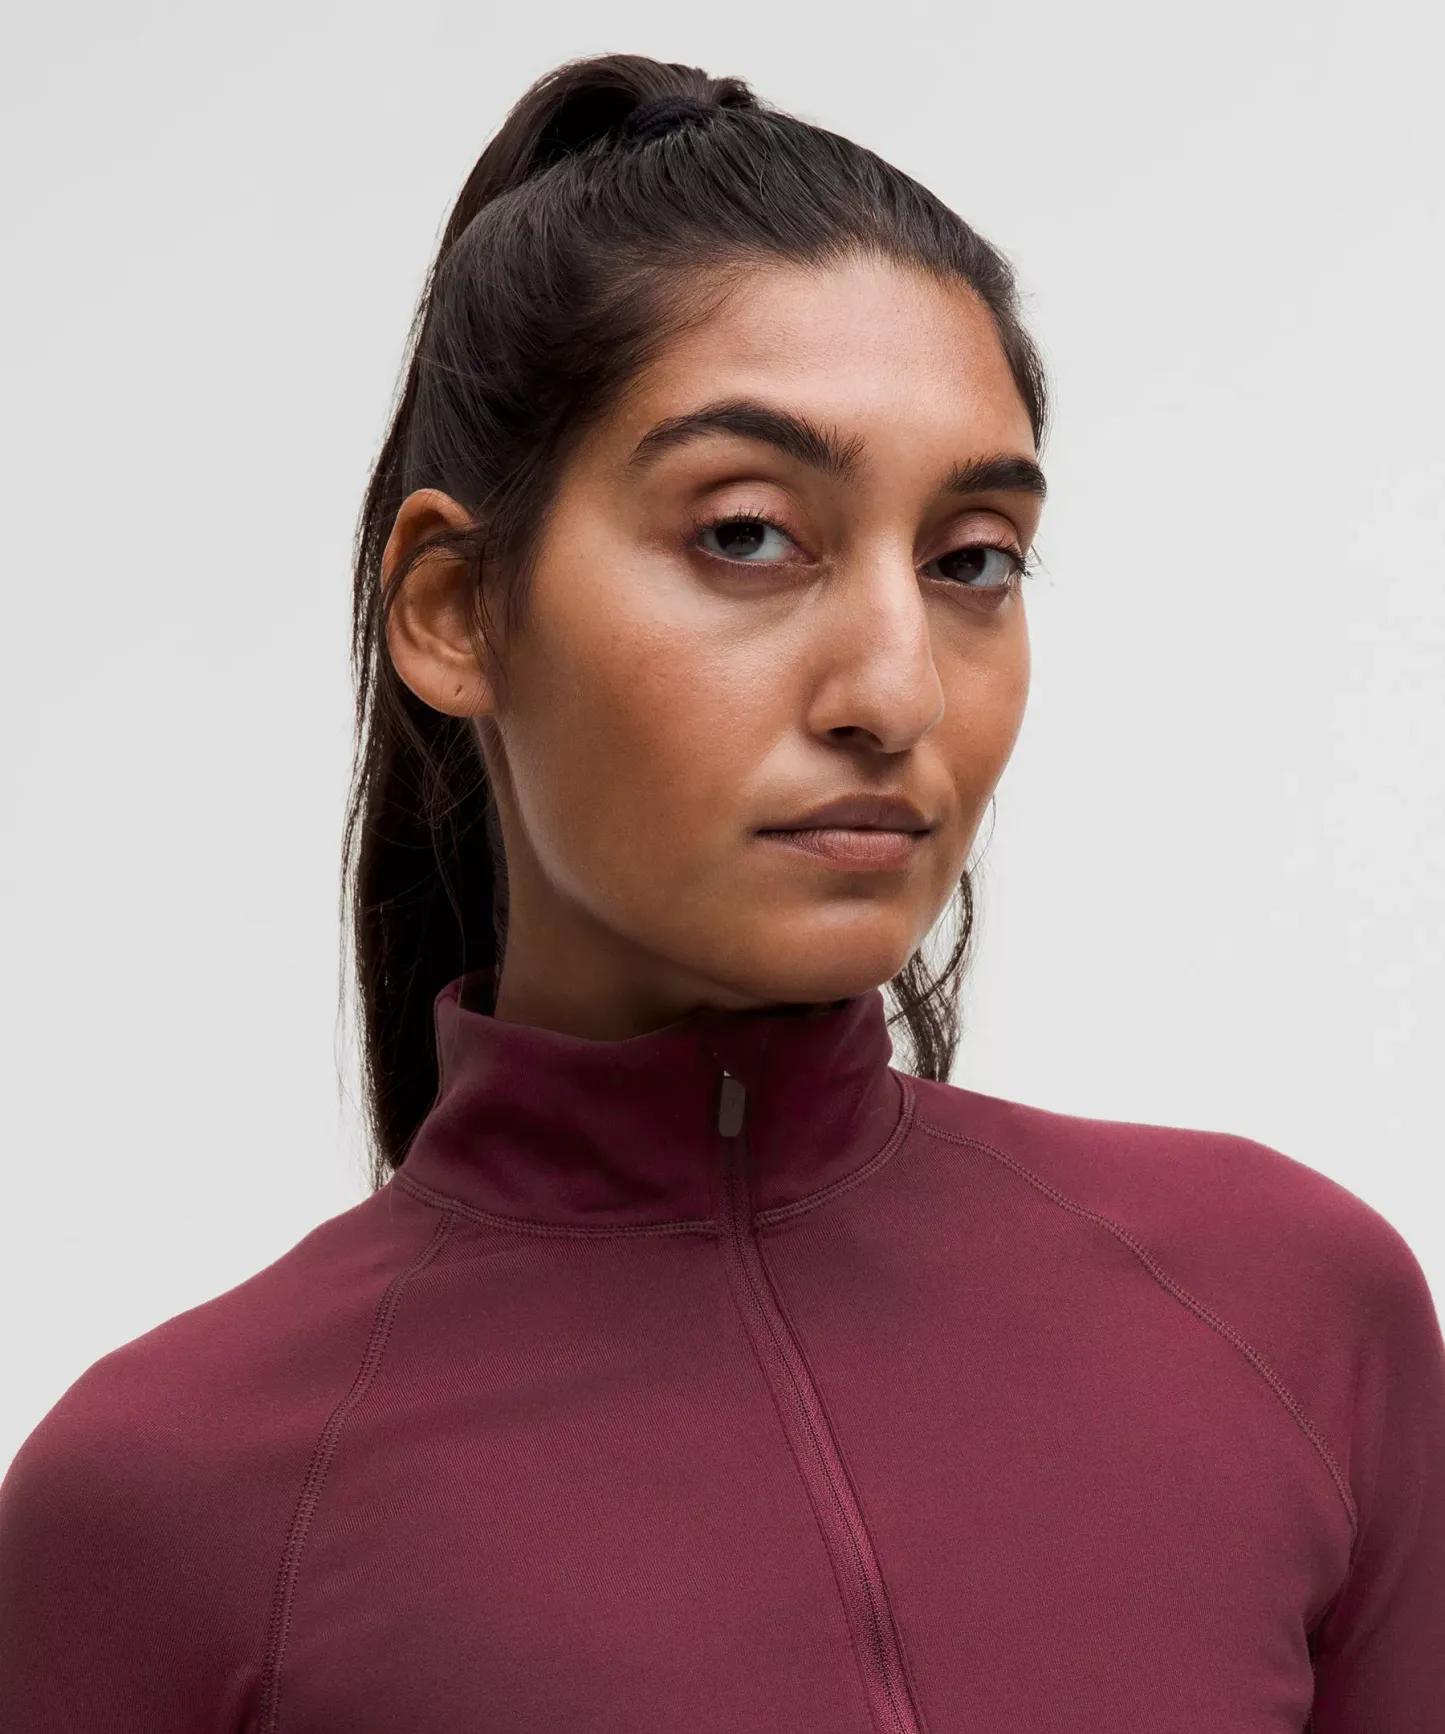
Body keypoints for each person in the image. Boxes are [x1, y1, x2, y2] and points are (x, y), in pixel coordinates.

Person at [0, 51, 1440, 1734]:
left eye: (972, 558)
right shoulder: (162, 1512)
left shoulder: (1292, 1312)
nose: (895, 688)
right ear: (455, 610)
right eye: (748, 534)